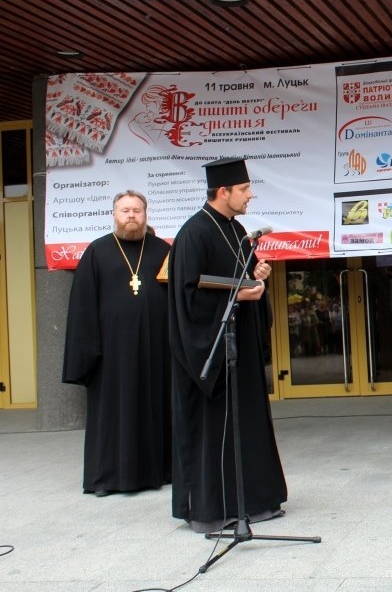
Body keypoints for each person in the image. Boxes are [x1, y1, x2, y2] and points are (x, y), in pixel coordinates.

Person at [168, 157, 286, 532]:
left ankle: (255, 501)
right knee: (214, 430)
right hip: (211, 354)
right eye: (244, 189)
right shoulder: (193, 234)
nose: (250, 196)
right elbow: (188, 300)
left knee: (246, 424)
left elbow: (243, 278)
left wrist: (257, 275)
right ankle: (213, 510)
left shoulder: (237, 230)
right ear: (223, 191)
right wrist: (237, 295)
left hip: (239, 350)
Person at [62, 190, 172, 497]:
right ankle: (109, 477)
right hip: (111, 354)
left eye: (137, 210)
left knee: (155, 408)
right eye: (125, 210)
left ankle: (161, 471)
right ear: (114, 214)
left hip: (156, 351)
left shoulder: (163, 251)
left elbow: (179, 298)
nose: (132, 215)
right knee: (114, 414)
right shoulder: (97, 252)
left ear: (146, 214)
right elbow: (82, 306)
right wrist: (87, 354)